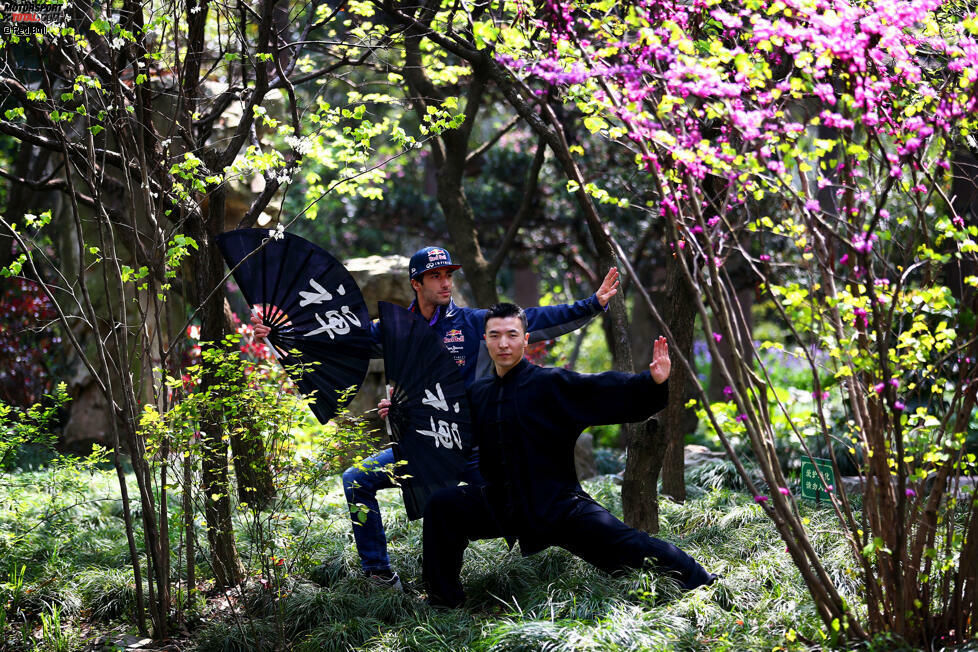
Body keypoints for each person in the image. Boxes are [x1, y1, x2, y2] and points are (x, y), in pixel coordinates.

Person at [254, 246, 620, 589]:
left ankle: (607, 556)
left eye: (449, 275)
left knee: (531, 504)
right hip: (423, 449)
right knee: (356, 480)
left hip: (473, 446)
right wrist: (283, 334)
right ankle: (379, 574)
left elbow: (536, 320)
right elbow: (343, 340)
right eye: (435, 276)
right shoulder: (395, 328)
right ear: (416, 283)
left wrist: (593, 304)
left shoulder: (474, 323)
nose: (446, 282)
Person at [420, 303, 717, 607]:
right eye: (495, 336)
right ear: (485, 340)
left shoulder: (551, 384)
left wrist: (650, 383)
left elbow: (599, 387)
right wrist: (403, 414)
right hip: (502, 505)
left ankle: (704, 583)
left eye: (512, 335)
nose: (504, 344)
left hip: (557, 506)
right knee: (444, 506)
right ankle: (443, 600)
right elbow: (446, 424)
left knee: (630, 545)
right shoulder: (478, 393)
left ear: (526, 339)